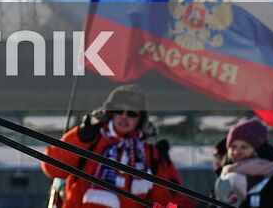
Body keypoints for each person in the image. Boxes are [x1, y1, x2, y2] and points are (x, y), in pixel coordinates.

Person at [42, 85, 190, 208]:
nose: (124, 116)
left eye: (132, 113)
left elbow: (162, 199)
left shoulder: (148, 153)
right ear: (110, 113)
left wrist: (164, 164)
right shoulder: (92, 140)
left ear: (140, 119)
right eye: (119, 111)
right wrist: (80, 136)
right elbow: (51, 168)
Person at [214, 118, 273, 208]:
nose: (236, 152)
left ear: (257, 150)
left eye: (244, 147)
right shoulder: (223, 179)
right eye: (232, 147)